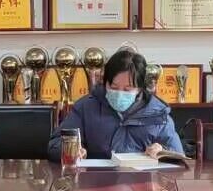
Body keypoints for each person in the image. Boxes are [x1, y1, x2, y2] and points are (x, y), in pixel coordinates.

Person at [47, 47, 184, 162]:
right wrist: (70, 150)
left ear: (140, 88)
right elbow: (54, 145)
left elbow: (178, 154)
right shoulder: (86, 107)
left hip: (142, 182)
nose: (119, 93)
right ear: (105, 82)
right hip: (95, 181)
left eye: (128, 89)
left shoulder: (158, 113)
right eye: (113, 87)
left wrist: (162, 151)